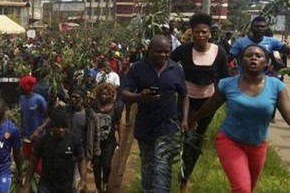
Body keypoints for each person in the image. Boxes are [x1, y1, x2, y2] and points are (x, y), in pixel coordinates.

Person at [189, 44, 290, 193]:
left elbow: (288, 116)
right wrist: (193, 119)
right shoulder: (228, 84)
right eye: (249, 56)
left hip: (258, 146)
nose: (253, 58)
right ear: (241, 61)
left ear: (266, 61)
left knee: (249, 188)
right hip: (230, 142)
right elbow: (211, 106)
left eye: (258, 56)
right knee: (242, 189)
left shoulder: (276, 86)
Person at [170, 13, 230, 190]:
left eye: (204, 31)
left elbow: (225, 78)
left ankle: (185, 176)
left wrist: (222, 98)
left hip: (208, 103)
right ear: (192, 32)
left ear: (210, 33)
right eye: (197, 32)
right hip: (186, 100)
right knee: (186, 135)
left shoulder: (219, 52)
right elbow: (168, 66)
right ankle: (180, 172)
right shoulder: (183, 50)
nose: (200, 35)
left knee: (197, 139)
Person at [121, 35, 189, 192]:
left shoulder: (176, 69)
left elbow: (184, 95)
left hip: (168, 126)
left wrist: (184, 119)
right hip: (146, 126)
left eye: (167, 52)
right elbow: (124, 93)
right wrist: (139, 97)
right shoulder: (137, 68)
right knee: (148, 166)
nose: (163, 55)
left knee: (163, 167)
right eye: (159, 52)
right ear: (149, 51)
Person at [22, 108, 87, 193]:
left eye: (64, 127)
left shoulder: (74, 140)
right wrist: (27, 184)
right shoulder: (43, 141)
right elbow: (33, 161)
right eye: (58, 127)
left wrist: (83, 179)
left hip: (65, 186)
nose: (61, 130)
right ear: (52, 126)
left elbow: (81, 159)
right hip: (46, 186)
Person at [92, 84, 122, 193]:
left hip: (109, 141)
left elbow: (118, 124)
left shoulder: (115, 109)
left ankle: (105, 182)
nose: (103, 96)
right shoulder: (94, 107)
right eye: (101, 94)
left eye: (106, 94)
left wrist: (120, 138)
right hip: (95, 141)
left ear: (110, 95)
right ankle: (97, 187)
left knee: (106, 164)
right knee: (96, 164)